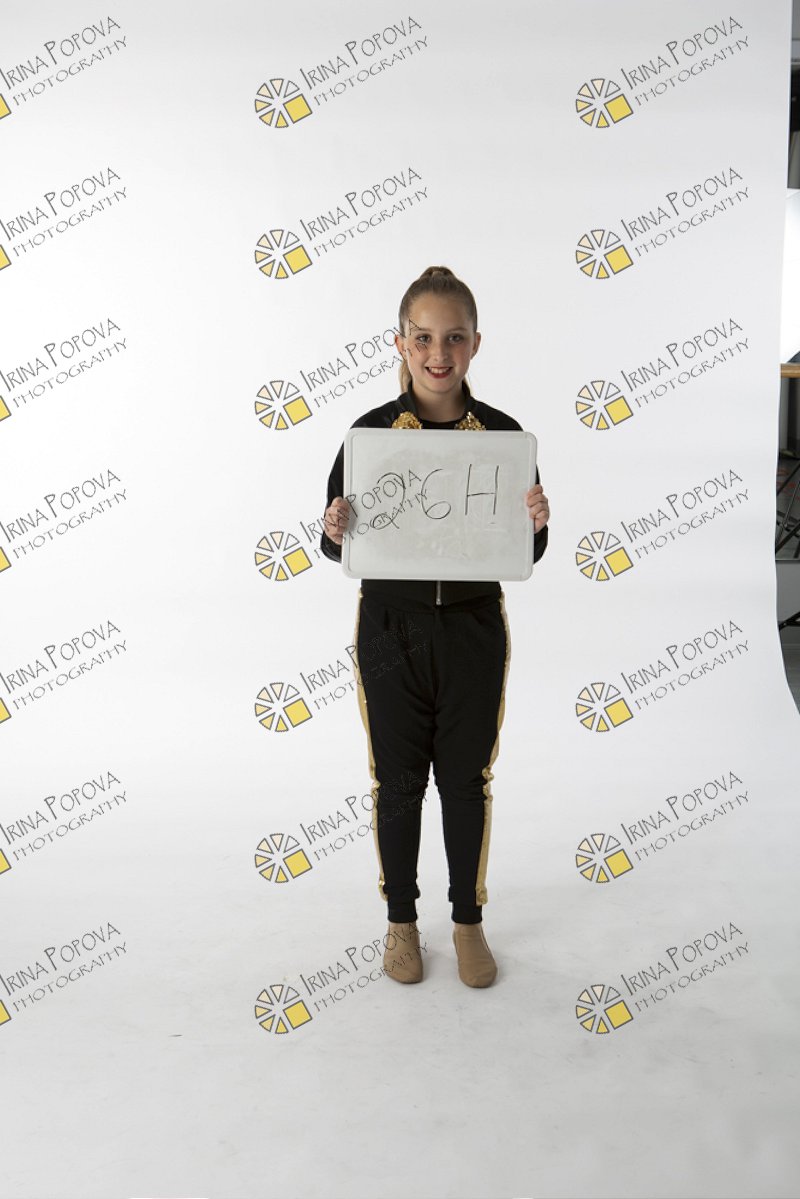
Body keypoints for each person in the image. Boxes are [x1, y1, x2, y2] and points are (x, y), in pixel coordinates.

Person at [320, 265, 550, 989]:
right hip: (391, 629)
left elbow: (525, 549)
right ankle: (401, 921)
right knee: (397, 782)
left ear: (475, 343)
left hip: (473, 629)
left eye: (454, 337)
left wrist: (538, 523)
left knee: (465, 780)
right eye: (422, 338)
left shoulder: (504, 438)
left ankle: (467, 920)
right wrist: (333, 526)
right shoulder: (370, 436)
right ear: (400, 343)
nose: (438, 352)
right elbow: (338, 542)